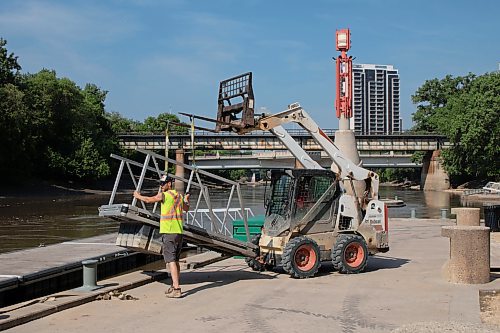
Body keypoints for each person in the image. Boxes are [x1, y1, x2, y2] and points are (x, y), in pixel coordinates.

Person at [133, 175, 190, 298]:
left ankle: (176, 288)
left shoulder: (164, 195)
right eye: (160, 183)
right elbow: (186, 208)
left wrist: (138, 196)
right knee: (175, 260)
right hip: (179, 232)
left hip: (169, 232)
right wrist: (186, 199)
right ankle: (175, 285)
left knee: (170, 260)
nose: (161, 186)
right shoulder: (179, 196)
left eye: (163, 184)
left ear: (169, 184)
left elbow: (149, 200)